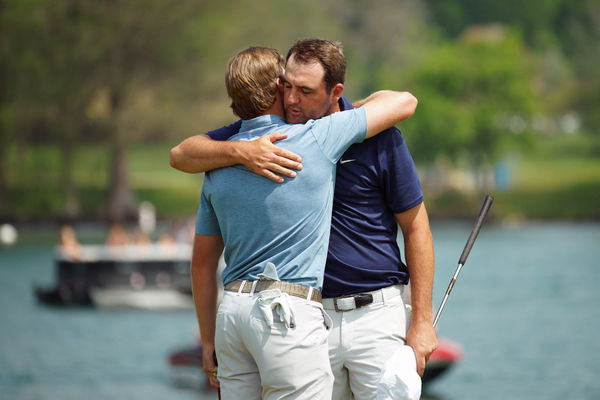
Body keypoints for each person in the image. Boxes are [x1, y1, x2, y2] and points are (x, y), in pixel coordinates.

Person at [190, 44, 417, 400]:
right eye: (288, 87)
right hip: (287, 313)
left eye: (304, 90)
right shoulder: (316, 139)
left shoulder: (214, 166)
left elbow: (202, 263)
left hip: (232, 314)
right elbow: (404, 102)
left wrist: (206, 339)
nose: (294, 98)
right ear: (277, 88)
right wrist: (355, 111)